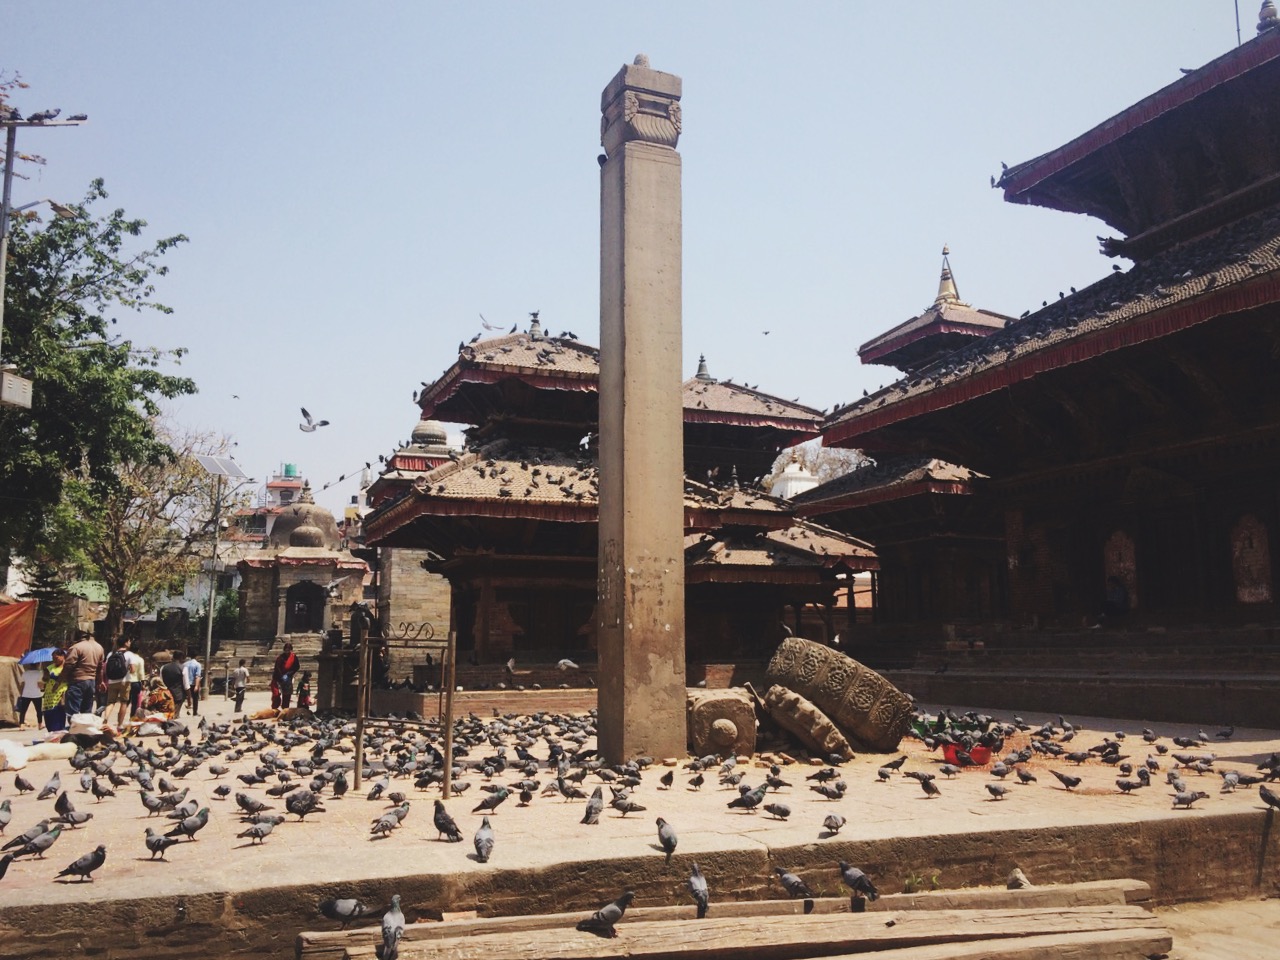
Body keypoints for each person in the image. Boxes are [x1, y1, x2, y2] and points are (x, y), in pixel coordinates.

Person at [62, 630, 104, 718]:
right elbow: (100, 668)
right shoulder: (99, 647)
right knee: (86, 711)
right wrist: (100, 682)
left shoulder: (76, 647)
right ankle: (84, 730)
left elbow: (68, 666)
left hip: (77, 681)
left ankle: (75, 730)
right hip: (91, 682)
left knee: (73, 712)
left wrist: (60, 679)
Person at [101, 638, 134, 731]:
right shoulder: (129, 654)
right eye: (129, 641)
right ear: (125, 643)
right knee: (124, 702)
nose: (130, 642)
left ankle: (106, 718)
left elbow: (105, 668)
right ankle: (119, 725)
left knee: (111, 702)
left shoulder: (110, 654)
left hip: (112, 681)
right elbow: (133, 670)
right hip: (125, 681)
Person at [41, 649, 68, 734]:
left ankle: (58, 736)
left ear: (63, 656)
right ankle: (51, 735)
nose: (54, 660)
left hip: (60, 695)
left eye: (56, 658)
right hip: (49, 696)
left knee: (58, 716)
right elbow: (44, 680)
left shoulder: (67, 668)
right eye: (53, 658)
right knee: (49, 715)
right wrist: (45, 674)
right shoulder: (50, 667)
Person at [16, 659, 44, 730]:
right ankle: (40, 724)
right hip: (36, 694)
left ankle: (21, 725)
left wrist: (21, 693)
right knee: (38, 710)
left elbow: (22, 684)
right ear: (37, 665)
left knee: (23, 710)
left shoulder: (25, 673)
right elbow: (39, 684)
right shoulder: (39, 673)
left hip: (26, 694)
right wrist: (43, 686)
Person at [123, 638, 146, 718]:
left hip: (126, 681)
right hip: (136, 682)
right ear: (138, 650)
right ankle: (132, 717)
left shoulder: (125, 657)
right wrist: (143, 684)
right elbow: (141, 673)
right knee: (135, 702)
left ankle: (121, 717)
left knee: (125, 702)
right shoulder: (140, 659)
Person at [271, 642, 299, 710]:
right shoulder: (280, 657)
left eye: (289, 650)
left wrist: (288, 674)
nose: (287, 651)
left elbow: (296, 667)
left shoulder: (293, 657)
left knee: (287, 695)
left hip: (288, 678)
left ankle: (285, 709)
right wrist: (281, 676)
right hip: (278, 678)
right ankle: (274, 710)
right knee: (276, 695)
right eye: (286, 650)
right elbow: (277, 668)